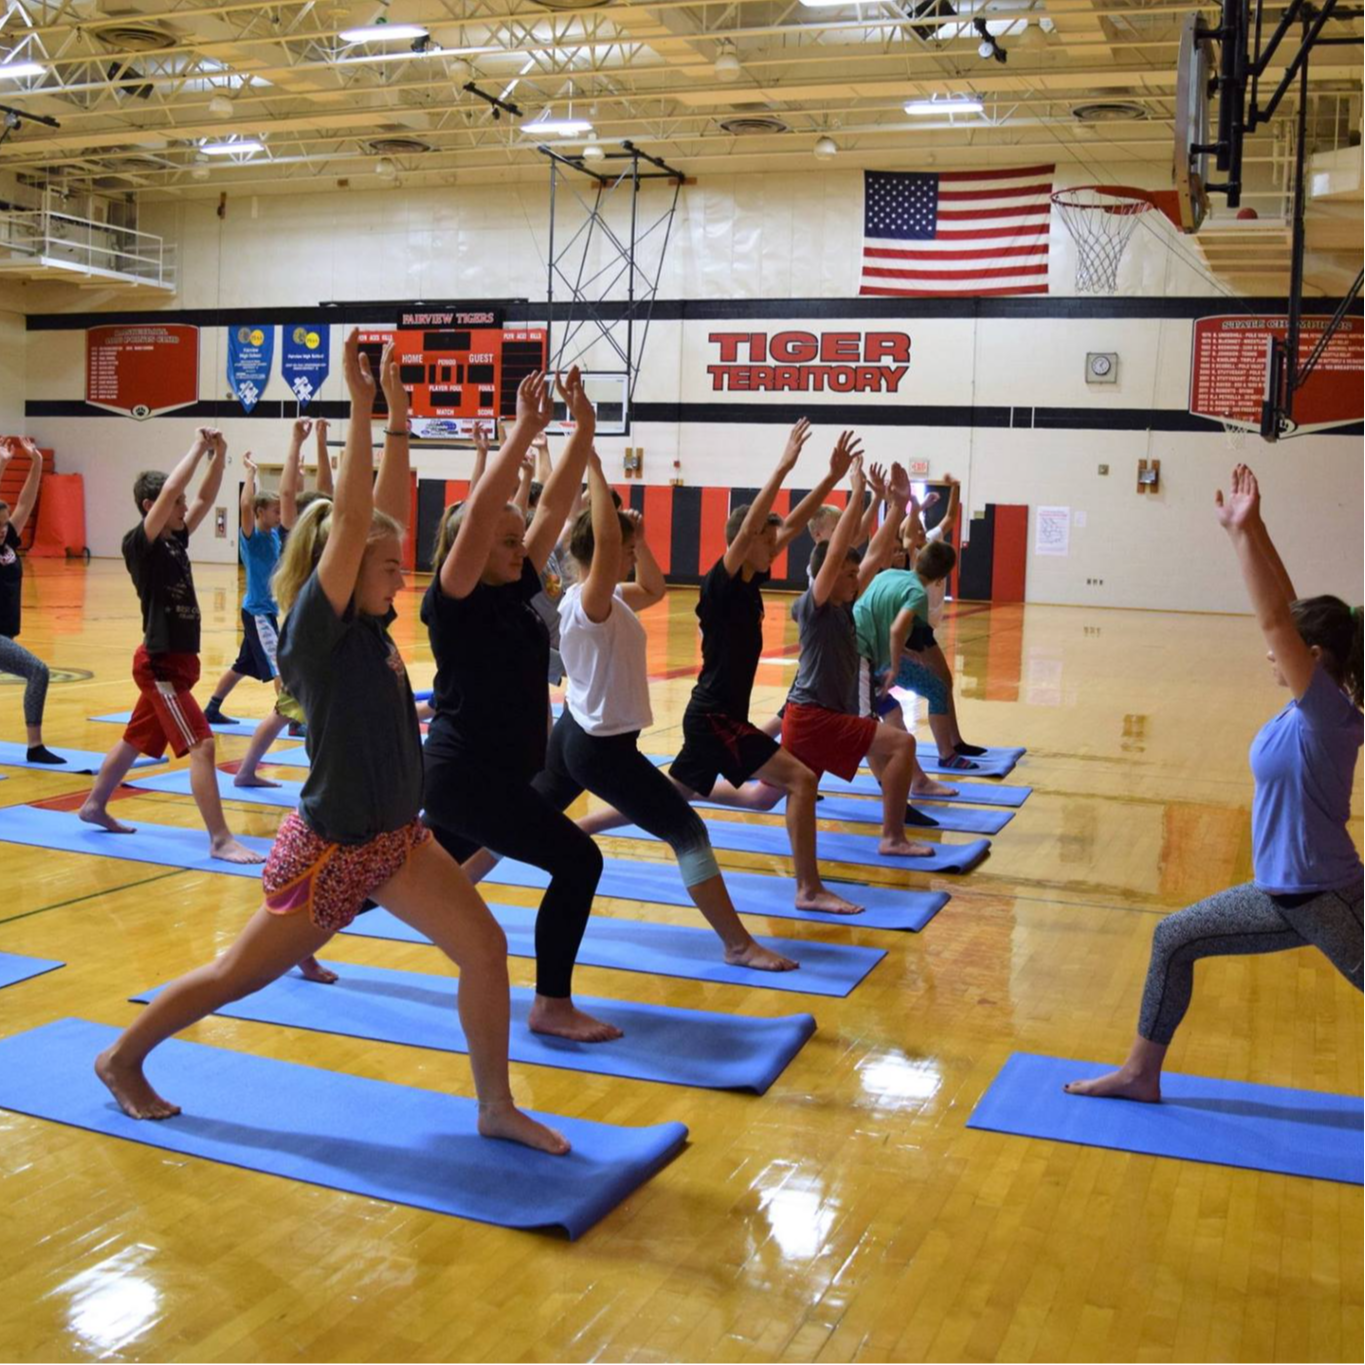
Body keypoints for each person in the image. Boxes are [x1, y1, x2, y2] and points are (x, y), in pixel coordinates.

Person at [93, 330, 569, 1157]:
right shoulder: (316, 627)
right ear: (340, 569)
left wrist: (398, 416)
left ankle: (495, 1105)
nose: (400, 578)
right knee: (235, 977)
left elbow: (381, 515)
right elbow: (353, 518)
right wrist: (359, 403)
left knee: (486, 948)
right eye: (386, 568)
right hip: (332, 850)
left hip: (397, 841)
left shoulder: (372, 626)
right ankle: (122, 1056)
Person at [1068, 464, 1363, 1103]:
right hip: (1282, 894)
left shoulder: (1327, 713)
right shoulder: (1307, 707)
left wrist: (1238, 536)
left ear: (1313, 659)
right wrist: (1254, 529)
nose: (1271, 653)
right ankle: (1140, 1074)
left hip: (1326, 898)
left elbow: (1275, 622)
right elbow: (1287, 611)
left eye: (1288, 648)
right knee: (1173, 938)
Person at [468, 450, 798, 973]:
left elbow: (654, 589)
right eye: (623, 550)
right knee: (688, 833)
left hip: (575, 732)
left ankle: (458, 883)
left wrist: (638, 540)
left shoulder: (604, 597)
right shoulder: (590, 602)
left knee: (521, 819)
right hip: (600, 748)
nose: (626, 556)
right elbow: (604, 545)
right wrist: (597, 472)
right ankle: (737, 944)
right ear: (601, 552)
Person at [575, 422, 872, 915]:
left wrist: (830, 479)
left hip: (714, 715)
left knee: (673, 795)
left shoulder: (751, 580)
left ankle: (580, 826)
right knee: (801, 780)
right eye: (766, 540)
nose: (776, 546)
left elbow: (789, 526)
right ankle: (808, 888)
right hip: (716, 717)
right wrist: (784, 465)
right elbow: (757, 525)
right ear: (744, 541)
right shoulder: (720, 582)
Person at [421, 369, 616, 1042]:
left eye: (518, 538)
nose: (520, 546)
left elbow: (553, 509)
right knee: (579, 861)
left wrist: (583, 428)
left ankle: (300, 934)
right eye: (505, 541)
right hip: (467, 776)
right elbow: (481, 515)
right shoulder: (454, 599)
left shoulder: (513, 584)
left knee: (395, 871)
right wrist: (527, 427)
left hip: (488, 778)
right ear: (470, 547)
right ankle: (550, 1004)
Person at [78, 429, 261, 864]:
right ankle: (219, 839)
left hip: (178, 665)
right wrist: (198, 448)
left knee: (134, 739)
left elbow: (204, 497)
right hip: (160, 666)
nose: (184, 508)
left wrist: (220, 455)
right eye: (176, 503)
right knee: (203, 744)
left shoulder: (176, 539)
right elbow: (176, 490)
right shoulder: (139, 545)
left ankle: (94, 805)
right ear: (152, 506)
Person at [780, 455, 943, 859]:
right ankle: (893, 836)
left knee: (762, 795)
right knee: (901, 743)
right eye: (848, 575)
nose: (857, 581)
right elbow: (840, 552)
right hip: (815, 717)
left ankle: (687, 790)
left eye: (856, 576)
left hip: (814, 715)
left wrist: (898, 505)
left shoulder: (843, 604)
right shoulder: (817, 606)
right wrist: (856, 493)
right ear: (829, 574)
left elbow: (874, 554)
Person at [233, 419, 335, 788]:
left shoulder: (316, 539)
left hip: (308, 632)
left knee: (290, 709)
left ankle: (247, 771)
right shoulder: (297, 539)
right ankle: (251, 771)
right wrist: (296, 442)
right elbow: (290, 493)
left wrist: (320, 442)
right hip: (304, 636)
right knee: (289, 708)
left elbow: (325, 491)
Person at [857, 538, 980, 769]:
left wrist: (902, 650)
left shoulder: (887, 575)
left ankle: (905, 766)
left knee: (887, 708)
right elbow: (896, 630)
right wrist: (895, 666)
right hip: (870, 656)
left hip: (856, 649)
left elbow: (876, 616)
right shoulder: (917, 594)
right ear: (941, 578)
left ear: (919, 558)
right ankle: (946, 754)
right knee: (937, 690)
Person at [202, 450, 283, 726]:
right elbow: (246, 504)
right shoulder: (253, 536)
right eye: (275, 511)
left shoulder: (274, 535)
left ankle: (212, 709)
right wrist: (251, 472)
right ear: (260, 512)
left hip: (265, 611)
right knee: (279, 664)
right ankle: (293, 719)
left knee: (242, 665)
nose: (280, 515)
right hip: (257, 612)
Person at [0, 436, 63, 764]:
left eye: (3, 523)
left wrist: (36, 462)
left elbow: (25, 501)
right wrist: (2, 465)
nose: (2, 529)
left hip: (5, 635)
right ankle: (35, 746)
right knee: (38, 671)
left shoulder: (9, 541)